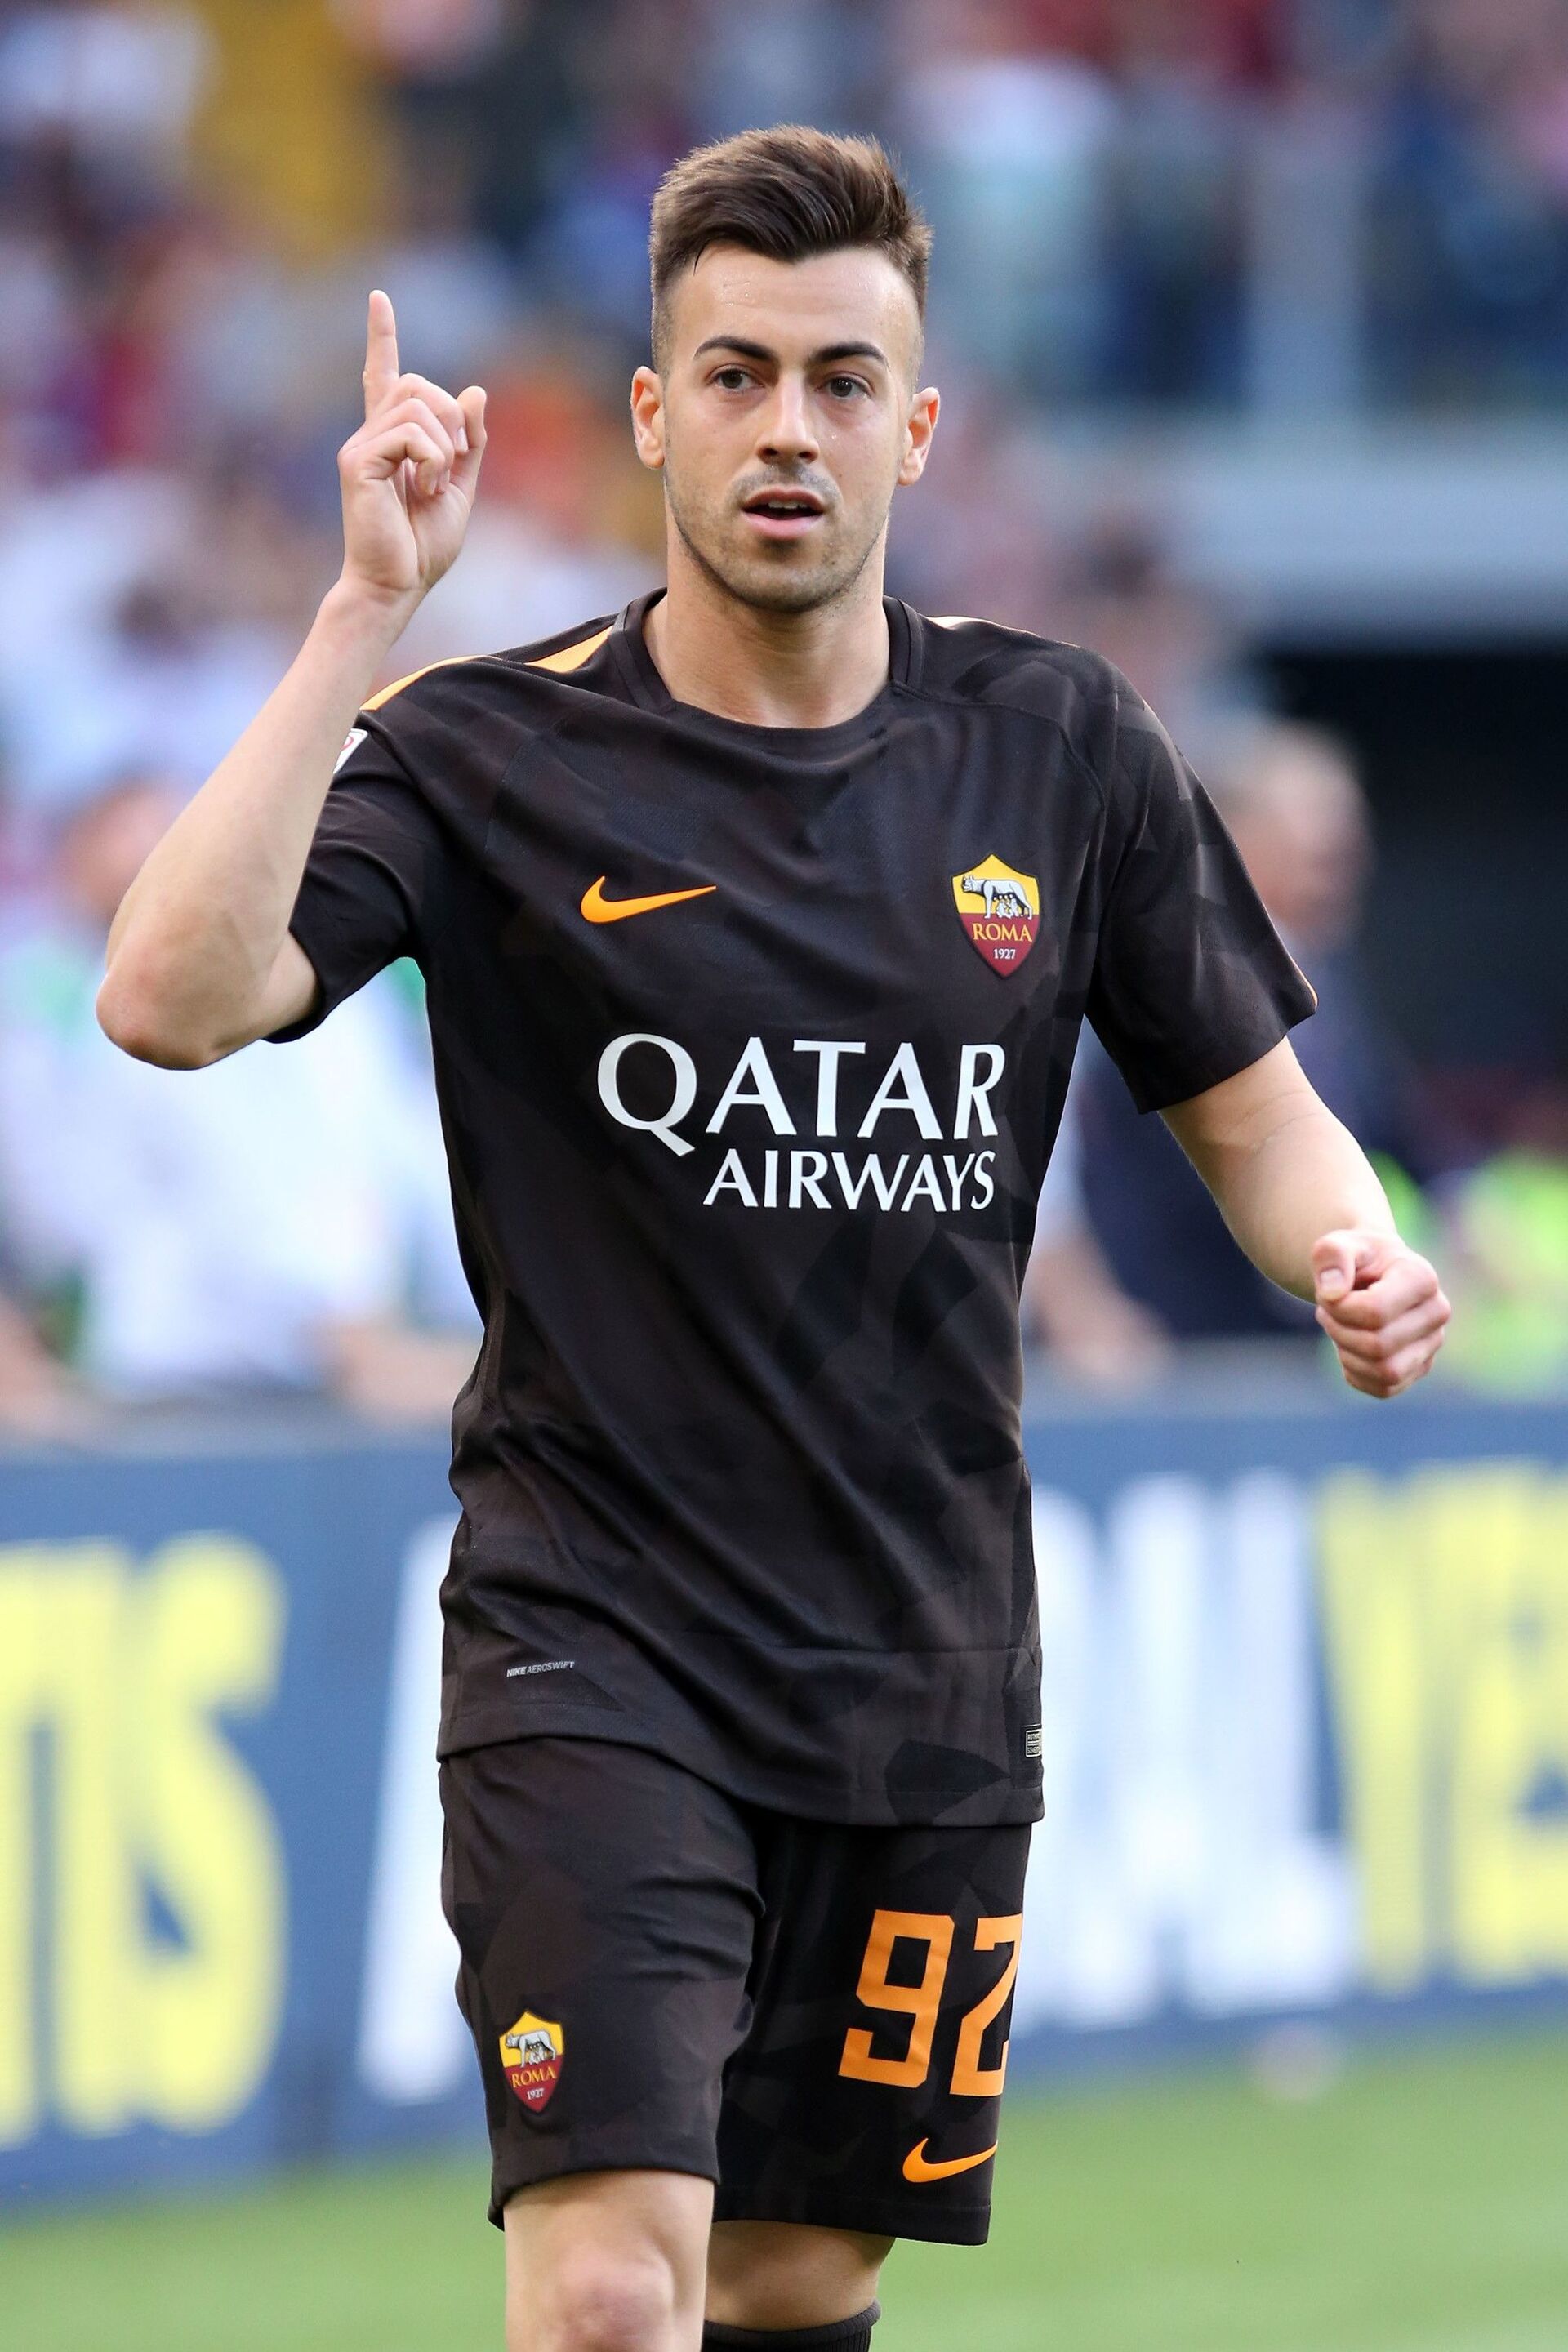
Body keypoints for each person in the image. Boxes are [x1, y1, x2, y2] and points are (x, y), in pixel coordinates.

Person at [97, 127, 1450, 2352]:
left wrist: (1354, 1259)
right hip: (594, 1643)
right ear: (653, 416)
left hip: (920, 1660)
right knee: (616, 2291)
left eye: (839, 381)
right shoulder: (492, 751)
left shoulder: (1063, 748)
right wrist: (364, 612)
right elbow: (166, 995)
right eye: (732, 375)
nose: (785, 428)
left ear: (916, 429)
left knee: (792, 2278)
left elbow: (1263, 1120)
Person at [1027, 719, 1469, 1357]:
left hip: (1282, 1342)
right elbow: (1048, 1153)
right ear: (1233, 838)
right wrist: (1083, 1308)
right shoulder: (1136, 962)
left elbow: (1392, 1122)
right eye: (1313, 832)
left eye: (1346, 834)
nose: (1340, 857)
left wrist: (1452, 1215)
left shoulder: (1331, 981)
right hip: (1164, 1342)